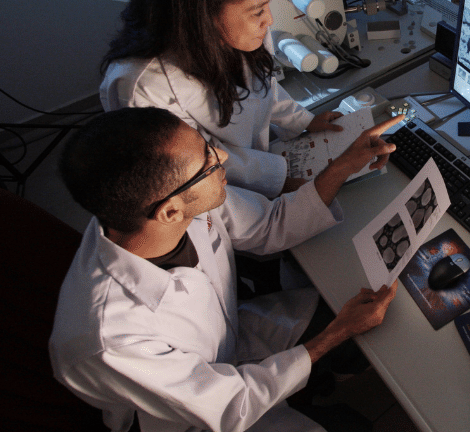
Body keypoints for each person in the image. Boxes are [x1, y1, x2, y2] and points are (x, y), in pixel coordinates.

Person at [50, 107, 403, 432]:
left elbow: (268, 224)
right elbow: (232, 405)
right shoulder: (111, 339)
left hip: (229, 340)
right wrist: (334, 334)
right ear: (169, 212)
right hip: (193, 419)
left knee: (348, 306)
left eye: (207, 146)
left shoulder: (174, 203)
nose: (222, 158)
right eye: (207, 162)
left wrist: (342, 165)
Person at [100, 0, 341, 199]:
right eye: (257, 12)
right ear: (203, 13)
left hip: (260, 168)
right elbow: (201, 162)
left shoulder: (245, 34)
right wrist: (279, 182)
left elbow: (266, 91)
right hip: (213, 196)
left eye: (267, 6)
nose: (269, 22)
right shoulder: (142, 86)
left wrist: (304, 121)